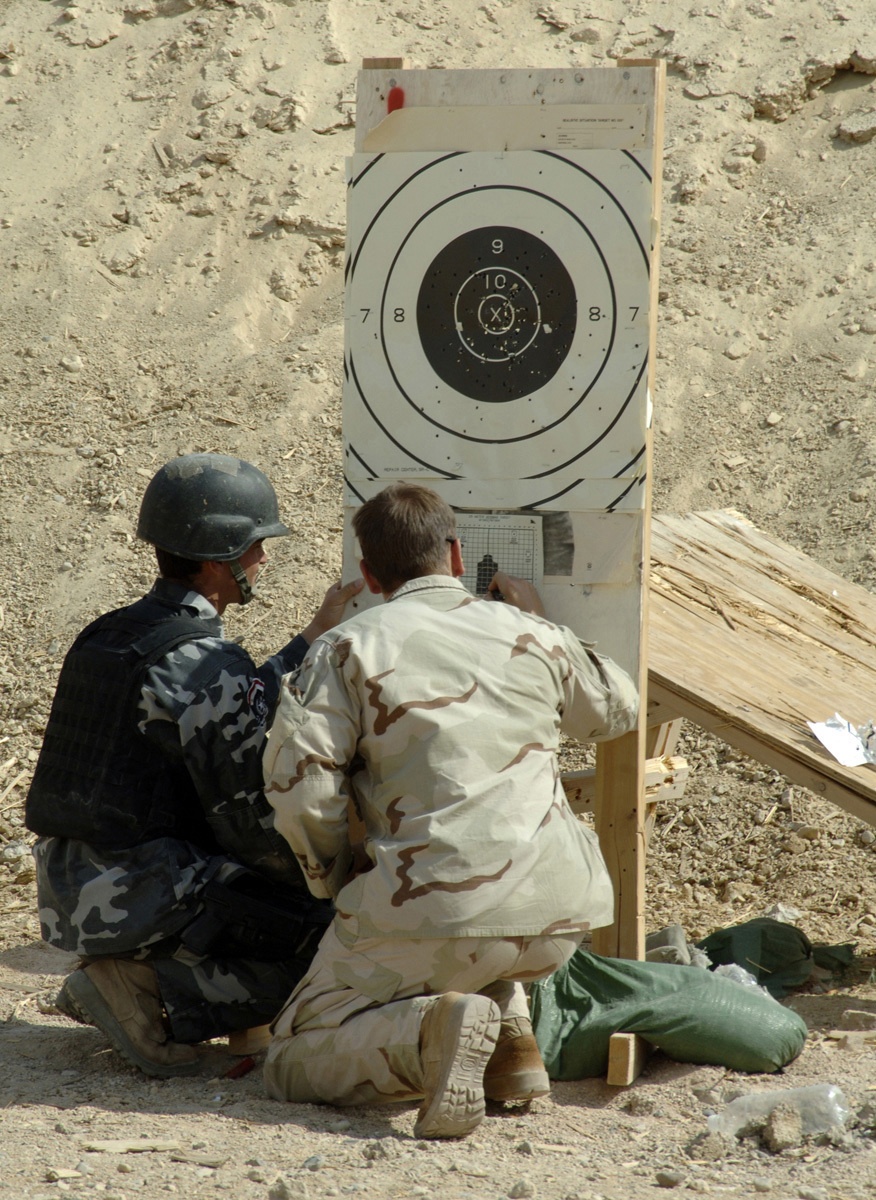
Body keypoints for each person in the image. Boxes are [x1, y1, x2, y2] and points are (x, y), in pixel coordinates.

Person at [261, 482, 639, 1138]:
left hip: (428, 909)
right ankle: (511, 1046)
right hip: (557, 913)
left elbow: (298, 786)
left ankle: (427, 1039)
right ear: (457, 557)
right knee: (470, 941)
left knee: (292, 1054)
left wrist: (336, 878)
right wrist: (548, 624)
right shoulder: (535, 636)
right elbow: (617, 708)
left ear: (371, 575)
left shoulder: (347, 648)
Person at [25, 453, 362, 1078]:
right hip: (139, 892)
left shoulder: (115, 633)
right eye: (256, 547)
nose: (262, 559)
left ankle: (130, 972)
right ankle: (149, 993)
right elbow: (256, 828)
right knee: (336, 942)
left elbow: (229, 701)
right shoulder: (205, 662)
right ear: (217, 559)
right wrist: (341, 876)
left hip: (76, 886)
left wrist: (312, 635)